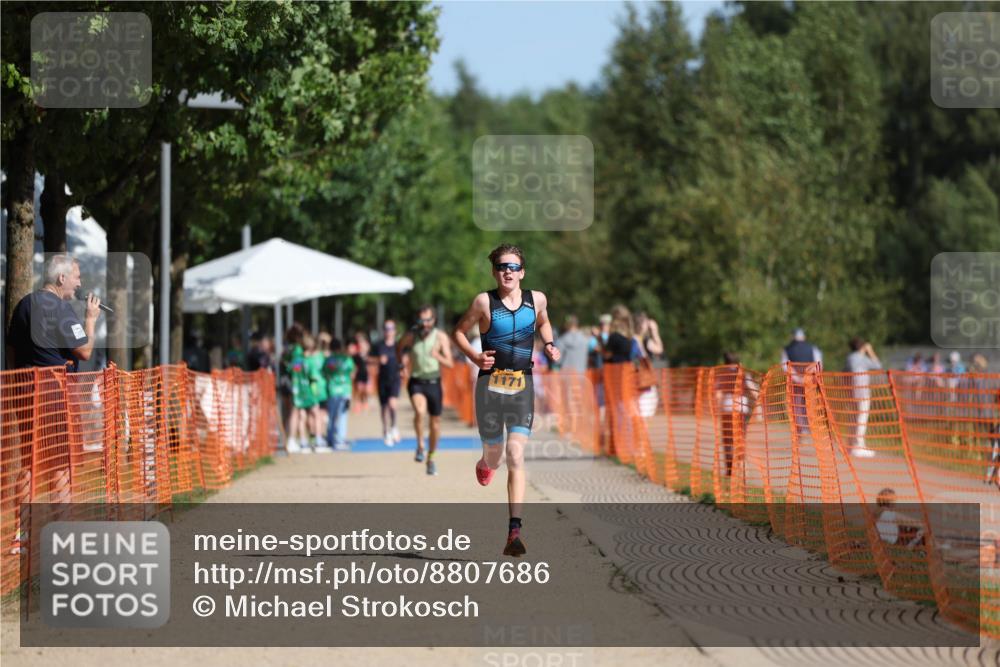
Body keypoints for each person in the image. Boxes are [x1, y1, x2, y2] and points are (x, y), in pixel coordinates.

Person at [453, 244, 560, 557]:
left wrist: (550, 344)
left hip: (522, 386)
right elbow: (458, 332)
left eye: (513, 267)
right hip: (490, 388)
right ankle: (485, 463)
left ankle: (514, 530)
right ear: (494, 271)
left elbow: (543, 321)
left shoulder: (537, 299)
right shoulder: (483, 302)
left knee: (516, 454)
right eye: (502, 266)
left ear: (522, 272)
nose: (508, 272)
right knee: (496, 457)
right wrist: (475, 357)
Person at [6, 254, 102, 371]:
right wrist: (90, 319)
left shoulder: (24, 303)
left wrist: (14, 379)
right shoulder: (62, 308)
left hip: (24, 386)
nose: (79, 284)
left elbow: (10, 348)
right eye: (77, 277)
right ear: (62, 278)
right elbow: (84, 352)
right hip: (56, 387)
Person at [397, 305, 454, 475]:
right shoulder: (411, 335)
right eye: (421, 320)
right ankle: (420, 445)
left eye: (428, 320)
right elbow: (398, 348)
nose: (424, 323)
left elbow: (450, 363)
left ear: (433, 320)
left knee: (435, 423)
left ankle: (431, 457)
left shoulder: (441, 337)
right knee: (420, 412)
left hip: (434, 382)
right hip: (416, 382)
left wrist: (438, 356)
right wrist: (402, 365)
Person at [714, 352, 759, 478]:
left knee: (727, 440)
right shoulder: (743, 373)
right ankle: (742, 466)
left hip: (727, 408)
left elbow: (718, 394)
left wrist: (718, 407)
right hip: (740, 408)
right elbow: (753, 390)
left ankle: (729, 469)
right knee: (740, 438)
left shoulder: (722, 374)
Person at [780, 327, 822, 439]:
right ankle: (808, 428)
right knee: (810, 404)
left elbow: (785, 366)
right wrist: (808, 377)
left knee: (797, 405)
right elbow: (818, 364)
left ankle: (800, 429)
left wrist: (797, 378)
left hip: (795, 383)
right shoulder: (813, 348)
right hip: (810, 381)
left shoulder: (787, 349)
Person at [844, 337, 881, 458]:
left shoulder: (849, 358)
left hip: (851, 391)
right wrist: (870, 351)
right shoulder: (862, 358)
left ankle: (850, 445)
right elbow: (878, 365)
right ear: (862, 347)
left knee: (853, 418)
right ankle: (858, 446)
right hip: (863, 392)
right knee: (861, 418)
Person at [370, 320, 401, 446]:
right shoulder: (378, 345)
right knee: (384, 408)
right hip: (382, 379)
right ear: (384, 331)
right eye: (387, 328)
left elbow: (405, 358)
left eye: (391, 328)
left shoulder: (398, 345)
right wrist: (378, 359)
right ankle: (385, 430)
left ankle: (393, 426)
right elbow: (368, 358)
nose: (389, 331)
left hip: (395, 378)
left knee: (392, 405)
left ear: (395, 331)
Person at [324, 337, 355, 451]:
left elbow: (325, 373)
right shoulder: (347, 359)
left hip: (333, 390)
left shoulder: (329, 360)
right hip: (345, 391)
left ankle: (330, 438)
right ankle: (340, 440)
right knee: (343, 415)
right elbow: (352, 373)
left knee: (331, 416)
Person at [308, 333, 332, 452]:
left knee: (315, 414)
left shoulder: (309, 357)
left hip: (316, 388)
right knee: (318, 415)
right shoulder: (323, 356)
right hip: (319, 388)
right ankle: (318, 439)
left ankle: (315, 438)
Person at [351, 331, 371, 413]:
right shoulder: (355, 350)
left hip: (365, 372)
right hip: (358, 372)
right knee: (358, 389)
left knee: (365, 390)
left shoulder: (366, 348)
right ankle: (358, 404)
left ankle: (365, 402)